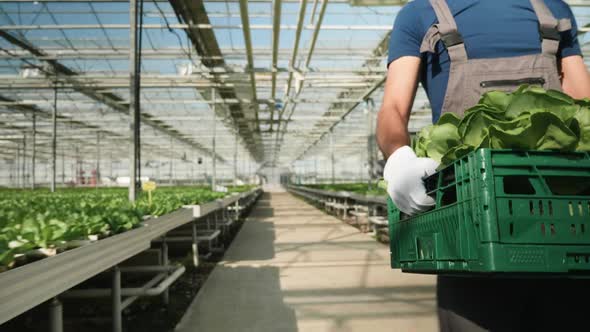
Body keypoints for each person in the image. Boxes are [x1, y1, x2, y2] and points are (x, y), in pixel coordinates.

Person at [376, 0, 590, 331]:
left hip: (559, 222)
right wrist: (398, 156)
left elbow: (581, 102)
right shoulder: (421, 13)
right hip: (469, 231)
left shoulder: (553, 9)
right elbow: (393, 107)